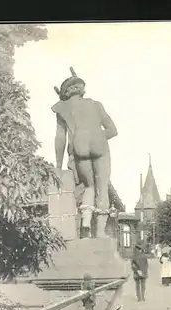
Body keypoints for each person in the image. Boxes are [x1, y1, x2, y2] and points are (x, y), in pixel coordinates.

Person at [52, 67, 118, 239]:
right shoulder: (96, 105)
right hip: (99, 143)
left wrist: (58, 165)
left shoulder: (62, 108)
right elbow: (113, 130)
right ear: (81, 89)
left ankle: (86, 227)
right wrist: (97, 136)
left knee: (89, 186)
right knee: (102, 187)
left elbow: (60, 138)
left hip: (79, 145)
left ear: (65, 93)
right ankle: (101, 232)